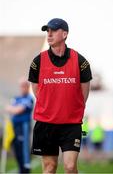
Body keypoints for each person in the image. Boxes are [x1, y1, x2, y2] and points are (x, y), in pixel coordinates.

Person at [28, 18, 92, 173]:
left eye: (53, 31)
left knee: (70, 167)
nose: (49, 34)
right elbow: (37, 91)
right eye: (47, 31)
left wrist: (69, 109)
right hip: (46, 124)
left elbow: (84, 93)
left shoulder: (80, 62)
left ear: (64, 34)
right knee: (50, 167)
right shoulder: (38, 61)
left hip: (71, 124)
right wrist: (51, 107)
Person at [5, 78, 34, 173]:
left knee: (23, 148)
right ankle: (21, 168)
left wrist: (13, 109)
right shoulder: (17, 98)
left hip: (23, 127)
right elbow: (8, 108)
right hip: (14, 127)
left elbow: (18, 110)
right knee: (16, 149)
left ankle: (25, 168)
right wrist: (13, 109)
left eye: (24, 86)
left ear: (27, 87)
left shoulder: (29, 98)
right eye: (21, 86)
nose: (22, 88)